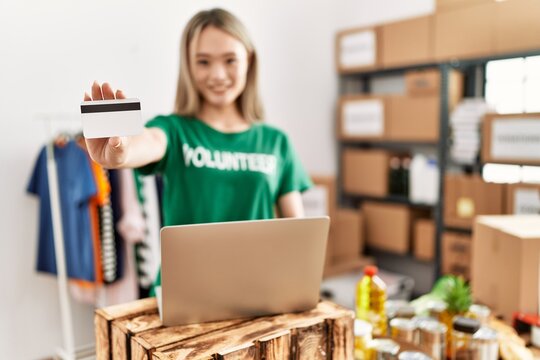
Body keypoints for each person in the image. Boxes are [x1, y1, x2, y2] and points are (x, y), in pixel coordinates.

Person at [83, 8, 312, 294]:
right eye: (203, 62)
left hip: (257, 294)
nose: (217, 75)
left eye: (230, 60)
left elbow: (299, 237)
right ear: (188, 66)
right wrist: (122, 151)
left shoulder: (276, 141)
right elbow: (149, 142)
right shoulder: (175, 130)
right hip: (184, 296)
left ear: (249, 61)